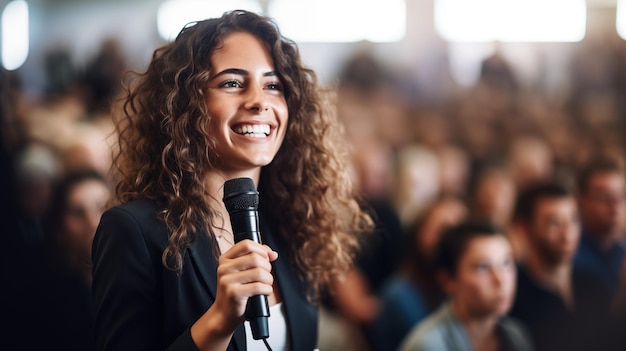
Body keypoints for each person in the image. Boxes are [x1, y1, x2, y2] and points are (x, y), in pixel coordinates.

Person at [91, 9, 373, 351]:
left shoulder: (294, 224)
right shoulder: (134, 231)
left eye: (273, 85)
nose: (258, 101)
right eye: (232, 83)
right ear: (185, 104)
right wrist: (218, 322)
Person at [509, 180, 611, 351]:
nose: (567, 233)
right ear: (524, 229)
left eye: (573, 220)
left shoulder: (594, 286)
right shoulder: (512, 296)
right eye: (553, 223)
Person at [399, 221, 533, 351]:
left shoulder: (516, 335)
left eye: (506, 263)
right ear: (447, 280)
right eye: (483, 267)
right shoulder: (428, 345)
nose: (500, 280)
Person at [574, 152, 626, 299]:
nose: (615, 206)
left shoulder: (622, 250)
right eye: (604, 197)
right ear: (580, 201)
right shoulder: (569, 256)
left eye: (621, 196)